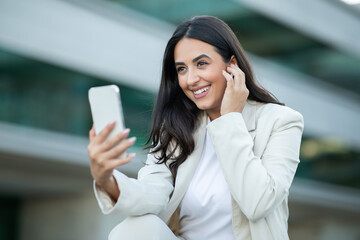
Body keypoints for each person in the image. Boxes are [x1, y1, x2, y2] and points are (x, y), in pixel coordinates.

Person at [87, 16, 304, 240]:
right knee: (136, 228)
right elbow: (152, 194)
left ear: (232, 65)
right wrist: (106, 180)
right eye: (181, 69)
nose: (190, 79)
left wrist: (229, 119)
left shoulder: (281, 121)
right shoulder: (176, 128)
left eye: (201, 64)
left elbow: (258, 203)